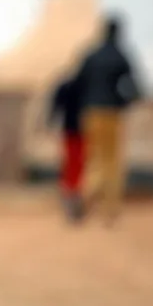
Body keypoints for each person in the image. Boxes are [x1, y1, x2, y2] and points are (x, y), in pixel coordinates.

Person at [73, 17, 140, 224]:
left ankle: (85, 196)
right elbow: (134, 86)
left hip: (91, 112)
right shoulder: (121, 56)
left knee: (93, 157)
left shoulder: (91, 55)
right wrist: (124, 102)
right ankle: (110, 209)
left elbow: (78, 83)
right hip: (112, 112)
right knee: (112, 161)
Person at [48, 74, 86, 222]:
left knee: (72, 166)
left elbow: (56, 106)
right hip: (78, 131)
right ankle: (73, 201)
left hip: (72, 130)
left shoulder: (67, 86)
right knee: (75, 166)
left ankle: (72, 200)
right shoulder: (85, 87)